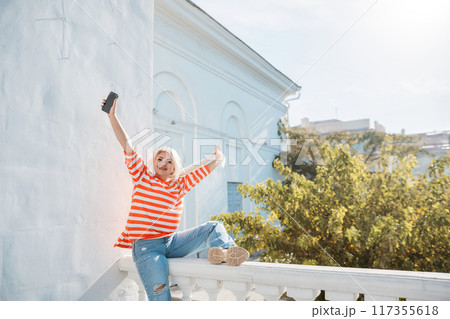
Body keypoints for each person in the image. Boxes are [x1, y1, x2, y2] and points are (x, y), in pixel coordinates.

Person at [101, 97, 249, 301]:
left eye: (169, 161)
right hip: (147, 248)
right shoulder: (142, 176)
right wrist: (112, 116)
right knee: (162, 297)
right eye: (160, 159)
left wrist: (217, 159)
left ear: (174, 167)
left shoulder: (179, 185)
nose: (163, 163)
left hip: (171, 242)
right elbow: (126, 144)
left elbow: (203, 171)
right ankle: (221, 253)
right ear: (154, 162)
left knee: (213, 227)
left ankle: (225, 252)